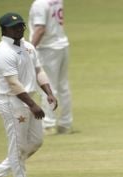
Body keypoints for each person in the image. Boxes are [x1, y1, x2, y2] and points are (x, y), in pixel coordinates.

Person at [0, 12, 57, 177]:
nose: (19, 29)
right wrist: (33, 105)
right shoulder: (3, 53)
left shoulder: (28, 46)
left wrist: (49, 92)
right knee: (17, 146)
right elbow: (14, 84)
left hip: (28, 99)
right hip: (11, 102)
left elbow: (38, 70)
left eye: (21, 26)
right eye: (14, 27)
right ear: (4, 29)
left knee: (35, 142)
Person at [29, 0, 72, 135]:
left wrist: (30, 49)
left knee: (47, 86)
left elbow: (40, 29)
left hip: (47, 48)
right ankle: (66, 124)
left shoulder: (39, 4)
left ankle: (48, 124)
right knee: (63, 86)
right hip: (62, 45)